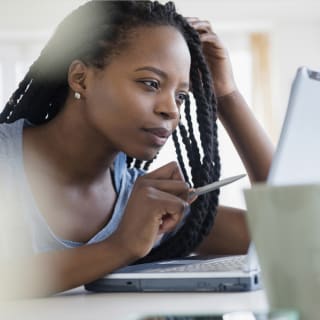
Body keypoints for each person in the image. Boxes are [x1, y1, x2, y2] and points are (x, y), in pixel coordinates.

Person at [0, 0, 273, 298]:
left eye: (181, 96)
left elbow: (295, 236)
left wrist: (226, 94)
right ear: (81, 78)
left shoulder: (141, 206)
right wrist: (120, 247)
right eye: (150, 83)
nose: (171, 110)